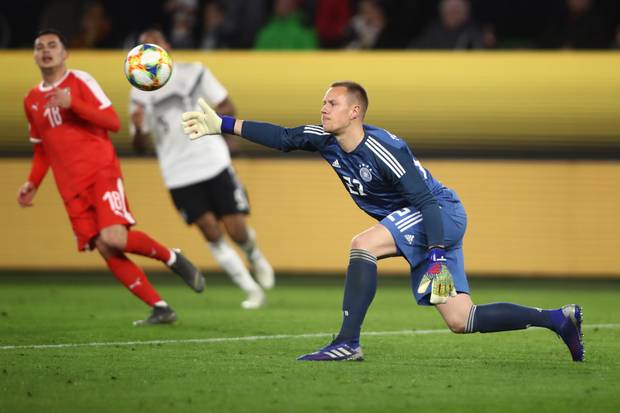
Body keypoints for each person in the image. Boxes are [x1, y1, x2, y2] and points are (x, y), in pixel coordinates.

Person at [181, 81, 585, 362]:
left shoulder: (383, 147)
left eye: (332, 103)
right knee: (462, 319)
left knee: (364, 244)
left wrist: (437, 254)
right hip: (424, 223)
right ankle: (556, 319)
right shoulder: (324, 138)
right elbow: (283, 136)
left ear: (354, 111)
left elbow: (426, 200)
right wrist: (223, 125)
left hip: (439, 215)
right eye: (323, 102)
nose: (324, 108)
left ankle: (347, 342)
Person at [18, 29, 205, 325]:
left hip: (99, 172)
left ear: (65, 53)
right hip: (70, 187)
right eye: (40, 47)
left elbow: (113, 122)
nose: (46, 51)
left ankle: (171, 257)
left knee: (114, 237)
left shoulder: (80, 82)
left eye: (53, 45)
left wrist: (73, 104)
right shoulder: (31, 99)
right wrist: (33, 182)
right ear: (34, 55)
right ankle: (160, 307)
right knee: (106, 247)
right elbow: (43, 148)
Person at [129, 30, 274, 309]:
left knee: (236, 229)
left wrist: (222, 125)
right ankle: (250, 288)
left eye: (156, 43)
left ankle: (254, 256)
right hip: (177, 172)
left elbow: (227, 104)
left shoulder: (194, 72)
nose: (152, 50)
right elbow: (140, 145)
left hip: (212, 160)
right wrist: (137, 128)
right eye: (145, 46)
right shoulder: (138, 92)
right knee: (210, 231)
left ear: (166, 46)